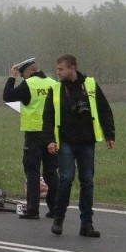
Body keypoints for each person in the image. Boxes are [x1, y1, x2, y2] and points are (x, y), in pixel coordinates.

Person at [43, 54, 115, 238]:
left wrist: (109, 134)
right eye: (57, 69)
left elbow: (104, 109)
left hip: (87, 142)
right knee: (66, 179)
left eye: (61, 69)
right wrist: (50, 139)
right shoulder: (56, 89)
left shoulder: (89, 84)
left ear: (72, 68)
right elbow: (48, 116)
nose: (58, 72)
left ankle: (87, 224)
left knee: (88, 182)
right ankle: (58, 219)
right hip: (66, 142)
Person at [2, 59, 59, 219]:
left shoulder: (29, 84)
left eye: (22, 75)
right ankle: (55, 208)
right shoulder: (53, 83)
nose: (23, 77)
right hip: (52, 135)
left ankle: (33, 210)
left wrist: (12, 77)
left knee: (32, 172)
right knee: (51, 172)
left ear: (28, 72)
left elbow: (7, 96)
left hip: (34, 134)